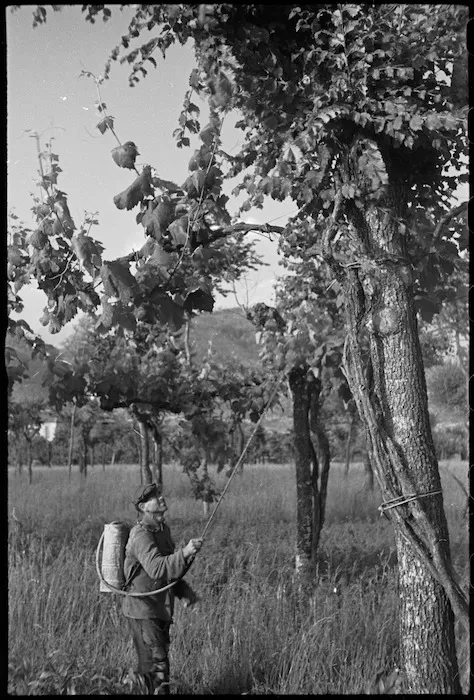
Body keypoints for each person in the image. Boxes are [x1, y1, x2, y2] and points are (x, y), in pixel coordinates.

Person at [122, 483, 202, 695]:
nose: (161, 497)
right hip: (142, 609)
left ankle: (132, 685)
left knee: (152, 669)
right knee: (159, 668)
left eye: (159, 493)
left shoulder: (163, 530)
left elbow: (168, 570)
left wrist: (184, 593)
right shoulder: (140, 534)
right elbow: (157, 568)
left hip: (159, 608)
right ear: (143, 506)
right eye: (155, 496)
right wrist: (184, 552)